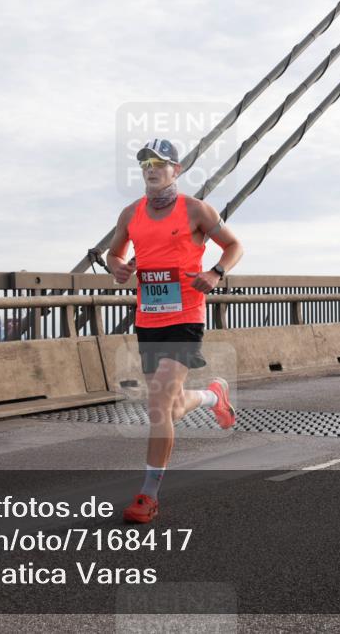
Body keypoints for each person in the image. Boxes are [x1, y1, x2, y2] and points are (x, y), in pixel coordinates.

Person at [107, 138, 244, 524]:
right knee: (170, 404)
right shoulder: (131, 213)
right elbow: (114, 253)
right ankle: (213, 395)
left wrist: (215, 273)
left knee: (156, 406)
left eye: (159, 162)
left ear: (176, 169)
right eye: (145, 162)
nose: (151, 168)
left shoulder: (196, 211)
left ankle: (148, 495)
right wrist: (117, 266)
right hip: (148, 319)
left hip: (186, 316)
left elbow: (233, 246)